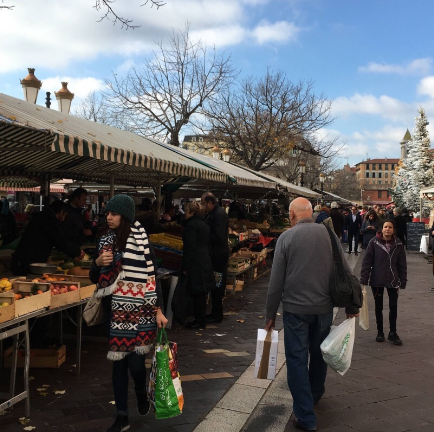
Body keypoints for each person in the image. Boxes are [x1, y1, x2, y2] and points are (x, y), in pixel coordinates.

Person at [265, 197, 359, 432]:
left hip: (295, 310)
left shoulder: (286, 238)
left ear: (291, 216)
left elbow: (276, 281)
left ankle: (306, 416)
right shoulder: (329, 235)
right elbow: (345, 271)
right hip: (324, 308)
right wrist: (352, 305)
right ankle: (314, 394)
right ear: (312, 213)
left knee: (296, 360)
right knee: (319, 354)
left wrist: (269, 314)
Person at [89, 194, 168, 432]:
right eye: (108, 214)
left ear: (125, 216)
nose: (109, 217)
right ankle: (122, 416)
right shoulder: (105, 241)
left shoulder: (142, 240)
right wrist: (98, 263)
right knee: (119, 366)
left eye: (113, 214)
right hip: (116, 314)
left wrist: (159, 310)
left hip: (143, 312)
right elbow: (96, 279)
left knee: (136, 366)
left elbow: (153, 276)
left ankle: (141, 392)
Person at [360, 219, 407, 346]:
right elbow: (367, 261)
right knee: (378, 306)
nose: (387, 229)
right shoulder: (374, 242)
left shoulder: (398, 244)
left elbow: (402, 264)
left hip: (393, 279)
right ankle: (380, 332)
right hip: (377, 279)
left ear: (393, 230)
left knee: (393, 306)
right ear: (381, 229)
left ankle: (393, 332)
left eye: (390, 227)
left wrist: (403, 280)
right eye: (385, 227)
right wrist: (364, 278)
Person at [11, 200, 84, 276]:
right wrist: (77, 252)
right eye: (64, 215)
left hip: (25, 261)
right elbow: (60, 240)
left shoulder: (41, 217)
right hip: (28, 263)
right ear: (61, 212)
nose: (64, 219)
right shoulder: (49, 220)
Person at [182, 201, 215, 329]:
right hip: (205, 259)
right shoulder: (204, 225)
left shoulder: (191, 226)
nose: (185, 214)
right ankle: (200, 319)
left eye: (186, 211)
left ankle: (199, 321)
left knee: (197, 293)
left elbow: (190, 248)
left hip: (196, 262)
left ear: (191, 212)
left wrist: (186, 267)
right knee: (201, 293)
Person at [201, 192, 229, 324]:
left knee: (217, 284)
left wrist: (205, 234)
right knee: (216, 285)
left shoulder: (218, 214)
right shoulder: (217, 213)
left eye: (203, 203)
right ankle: (215, 313)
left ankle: (217, 314)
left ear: (209, 203)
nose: (203, 206)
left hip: (218, 256)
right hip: (217, 254)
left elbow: (218, 236)